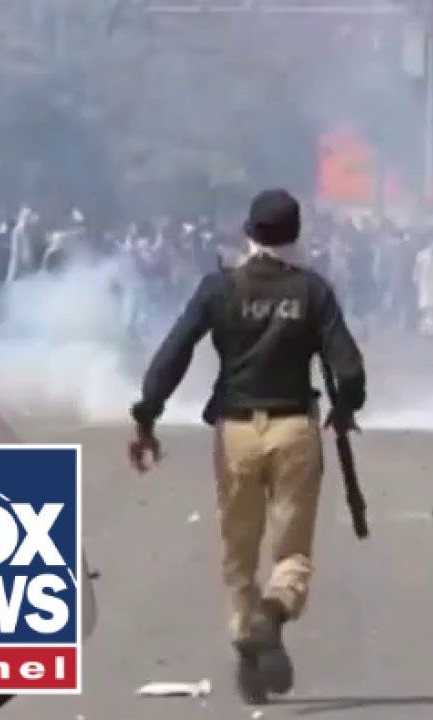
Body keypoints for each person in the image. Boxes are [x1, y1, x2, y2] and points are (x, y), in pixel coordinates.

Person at [127, 188, 366, 705]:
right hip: (294, 429)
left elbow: (174, 352)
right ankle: (273, 614)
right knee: (292, 552)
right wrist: (346, 408)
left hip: (235, 432)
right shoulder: (313, 291)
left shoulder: (219, 288)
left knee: (239, 553)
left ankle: (247, 644)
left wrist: (147, 414)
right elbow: (349, 369)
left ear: (249, 233)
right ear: (296, 235)